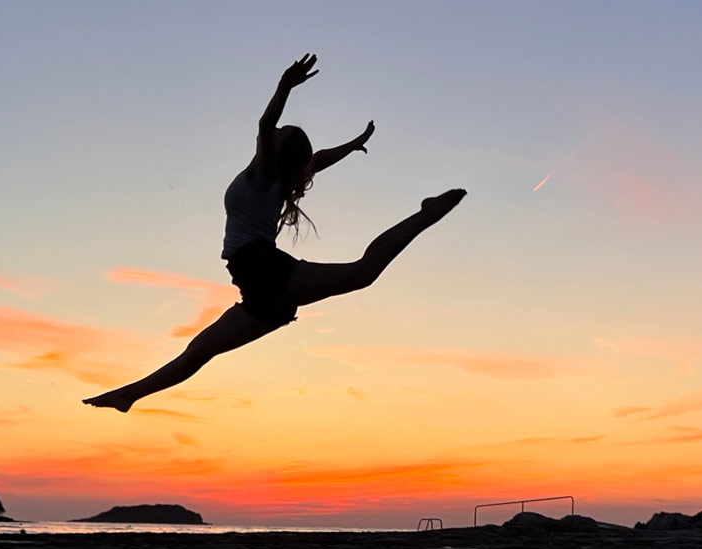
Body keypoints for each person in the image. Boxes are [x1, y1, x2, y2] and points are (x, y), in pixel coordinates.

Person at [83, 54, 466, 412]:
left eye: (280, 135)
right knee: (199, 351)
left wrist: (285, 85)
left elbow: (269, 128)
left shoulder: (264, 174)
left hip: (263, 269)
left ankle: (427, 214)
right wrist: (353, 145)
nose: (274, 133)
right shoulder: (277, 181)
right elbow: (316, 161)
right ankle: (129, 396)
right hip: (256, 285)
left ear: (275, 149)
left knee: (362, 272)